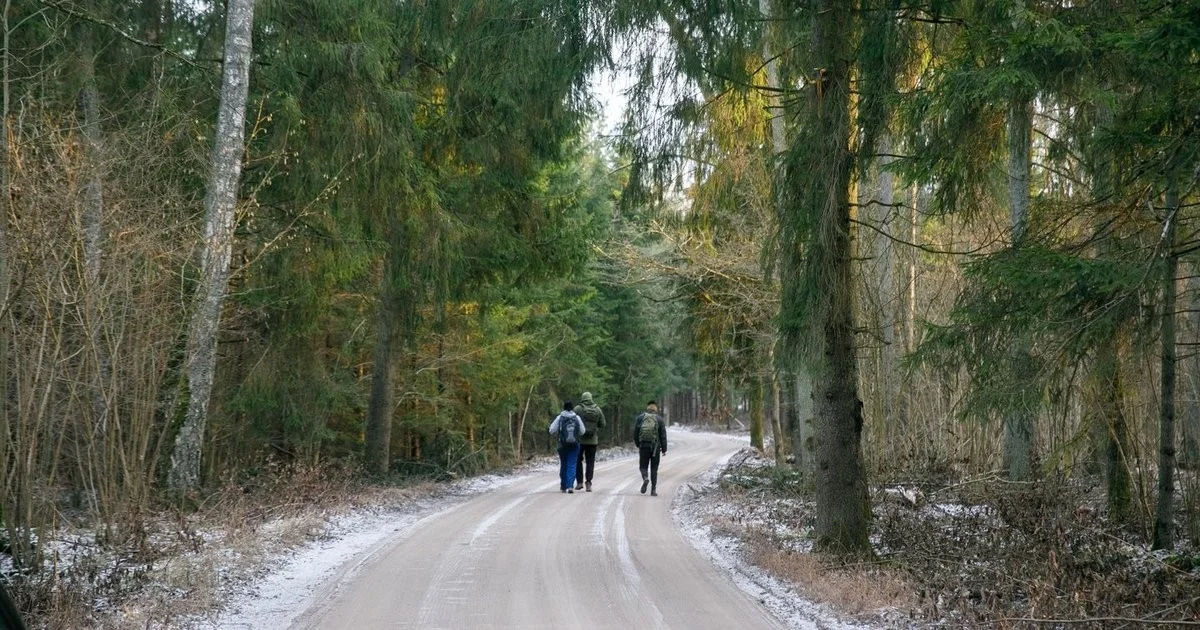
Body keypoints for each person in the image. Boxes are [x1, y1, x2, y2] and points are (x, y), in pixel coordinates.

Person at [549, 401, 586, 493]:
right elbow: (583, 431)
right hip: (574, 445)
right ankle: (570, 486)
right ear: (572, 408)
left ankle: (563, 485)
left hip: (562, 445)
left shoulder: (560, 417)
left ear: (564, 408)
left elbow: (551, 430)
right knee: (572, 464)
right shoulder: (577, 418)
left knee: (564, 464)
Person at [633, 401, 667, 496]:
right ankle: (653, 490)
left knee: (643, 466)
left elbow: (636, 433)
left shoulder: (640, 418)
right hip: (655, 447)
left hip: (644, 446)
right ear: (655, 409)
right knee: (654, 468)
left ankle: (645, 478)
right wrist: (664, 449)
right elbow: (663, 435)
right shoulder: (659, 420)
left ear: (647, 408)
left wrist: (638, 444)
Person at [574, 392, 606, 492]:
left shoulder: (578, 409)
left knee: (577, 461)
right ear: (591, 398)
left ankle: (579, 482)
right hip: (592, 441)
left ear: (582, 398)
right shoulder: (597, 409)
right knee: (590, 462)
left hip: (579, 440)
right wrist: (595, 428)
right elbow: (603, 424)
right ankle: (588, 483)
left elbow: (572, 422)